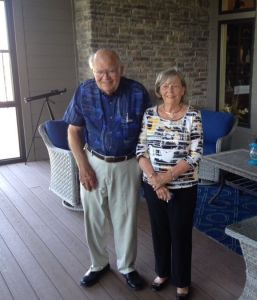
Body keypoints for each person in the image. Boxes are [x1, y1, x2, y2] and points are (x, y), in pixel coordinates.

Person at [63, 49, 150, 289]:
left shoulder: (137, 92)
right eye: (100, 72)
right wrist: (83, 166)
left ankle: (127, 267)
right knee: (93, 217)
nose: (106, 77)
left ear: (120, 69)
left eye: (111, 71)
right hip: (93, 163)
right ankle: (98, 264)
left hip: (128, 163)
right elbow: (72, 132)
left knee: (126, 217)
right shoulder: (84, 91)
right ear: (93, 71)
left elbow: (149, 132)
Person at [136, 68, 203, 300]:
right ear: (159, 90)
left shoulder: (193, 116)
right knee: (159, 230)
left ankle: (182, 280)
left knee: (181, 233)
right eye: (165, 86)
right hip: (153, 185)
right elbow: (140, 150)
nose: (170, 90)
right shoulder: (149, 115)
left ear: (183, 89)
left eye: (175, 85)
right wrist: (156, 181)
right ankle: (163, 272)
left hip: (184, 187)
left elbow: (195, 155)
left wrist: (167, 177)